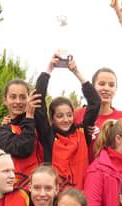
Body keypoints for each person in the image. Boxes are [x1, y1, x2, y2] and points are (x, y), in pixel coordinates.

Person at [38, 54, 100, 190]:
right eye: (60, 116)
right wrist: (48, 69)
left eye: (69, 115)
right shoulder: (48, 135)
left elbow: (95, 102)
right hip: (56, 198)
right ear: (52, 118)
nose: (66, 120)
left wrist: (76, 71)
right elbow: (38, 103)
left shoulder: (82, 132)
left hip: (81, 197)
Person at [0, 78, 46, 189]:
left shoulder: (38, 123)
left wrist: (48, 71)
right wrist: (29, 117)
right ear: (5, 100)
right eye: (13, 97)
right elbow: (23, 148)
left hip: (39, 189)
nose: (18, 101)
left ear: (29, 99)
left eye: (23, 97)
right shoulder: (2, 131)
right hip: (14, 190)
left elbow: (40, 97)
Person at [74, 67, 122, 153]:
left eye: (111, 85)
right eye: (102, 84)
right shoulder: (78, 114)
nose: (106, 88)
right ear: (93, 87)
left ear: (115, 89)